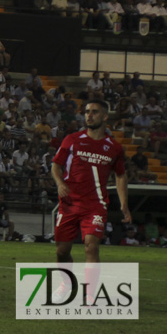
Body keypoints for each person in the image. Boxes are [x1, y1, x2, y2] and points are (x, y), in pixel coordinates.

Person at [52, 100, 131, 265]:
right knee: (62, 251)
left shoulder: (114, 147)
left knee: (91, 246)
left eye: (94, 112)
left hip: (95, 204)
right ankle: (67, 284)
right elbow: (56, 166)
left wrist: (124, 203)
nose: (89, 115)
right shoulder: (72, 139)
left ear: (105, 116)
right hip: (69, 202)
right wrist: (60, 183)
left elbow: (121, 175)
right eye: (87, 111)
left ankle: (89, 292)